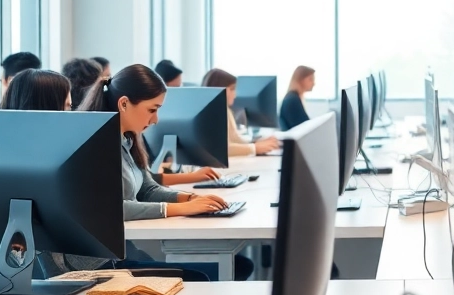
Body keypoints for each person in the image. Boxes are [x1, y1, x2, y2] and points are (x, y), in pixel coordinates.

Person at [63, 65, 255, 280]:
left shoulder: (127, 139)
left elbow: (148, 189)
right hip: (96, 264)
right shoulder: (92, 147)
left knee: (237, 266)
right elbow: (110, 210)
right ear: (124, 104)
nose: (156, 120)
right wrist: (181, 207)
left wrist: (191, 198)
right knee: (205, 277)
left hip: (118, 253)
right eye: (152, 109)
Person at [201, 68, 281, 156]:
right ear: (217, 89)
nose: (235, 94)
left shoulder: (226, 110)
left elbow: (234, 140)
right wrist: (255, 148)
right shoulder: (211, 115)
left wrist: (256, 142)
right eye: (232, 89)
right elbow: (221, 148)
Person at [279, 65, 315, 132]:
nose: (314, 83)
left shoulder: (293, 97)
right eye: (310, 79)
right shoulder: (292, 100)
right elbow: (303, 128)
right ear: (300, 80)